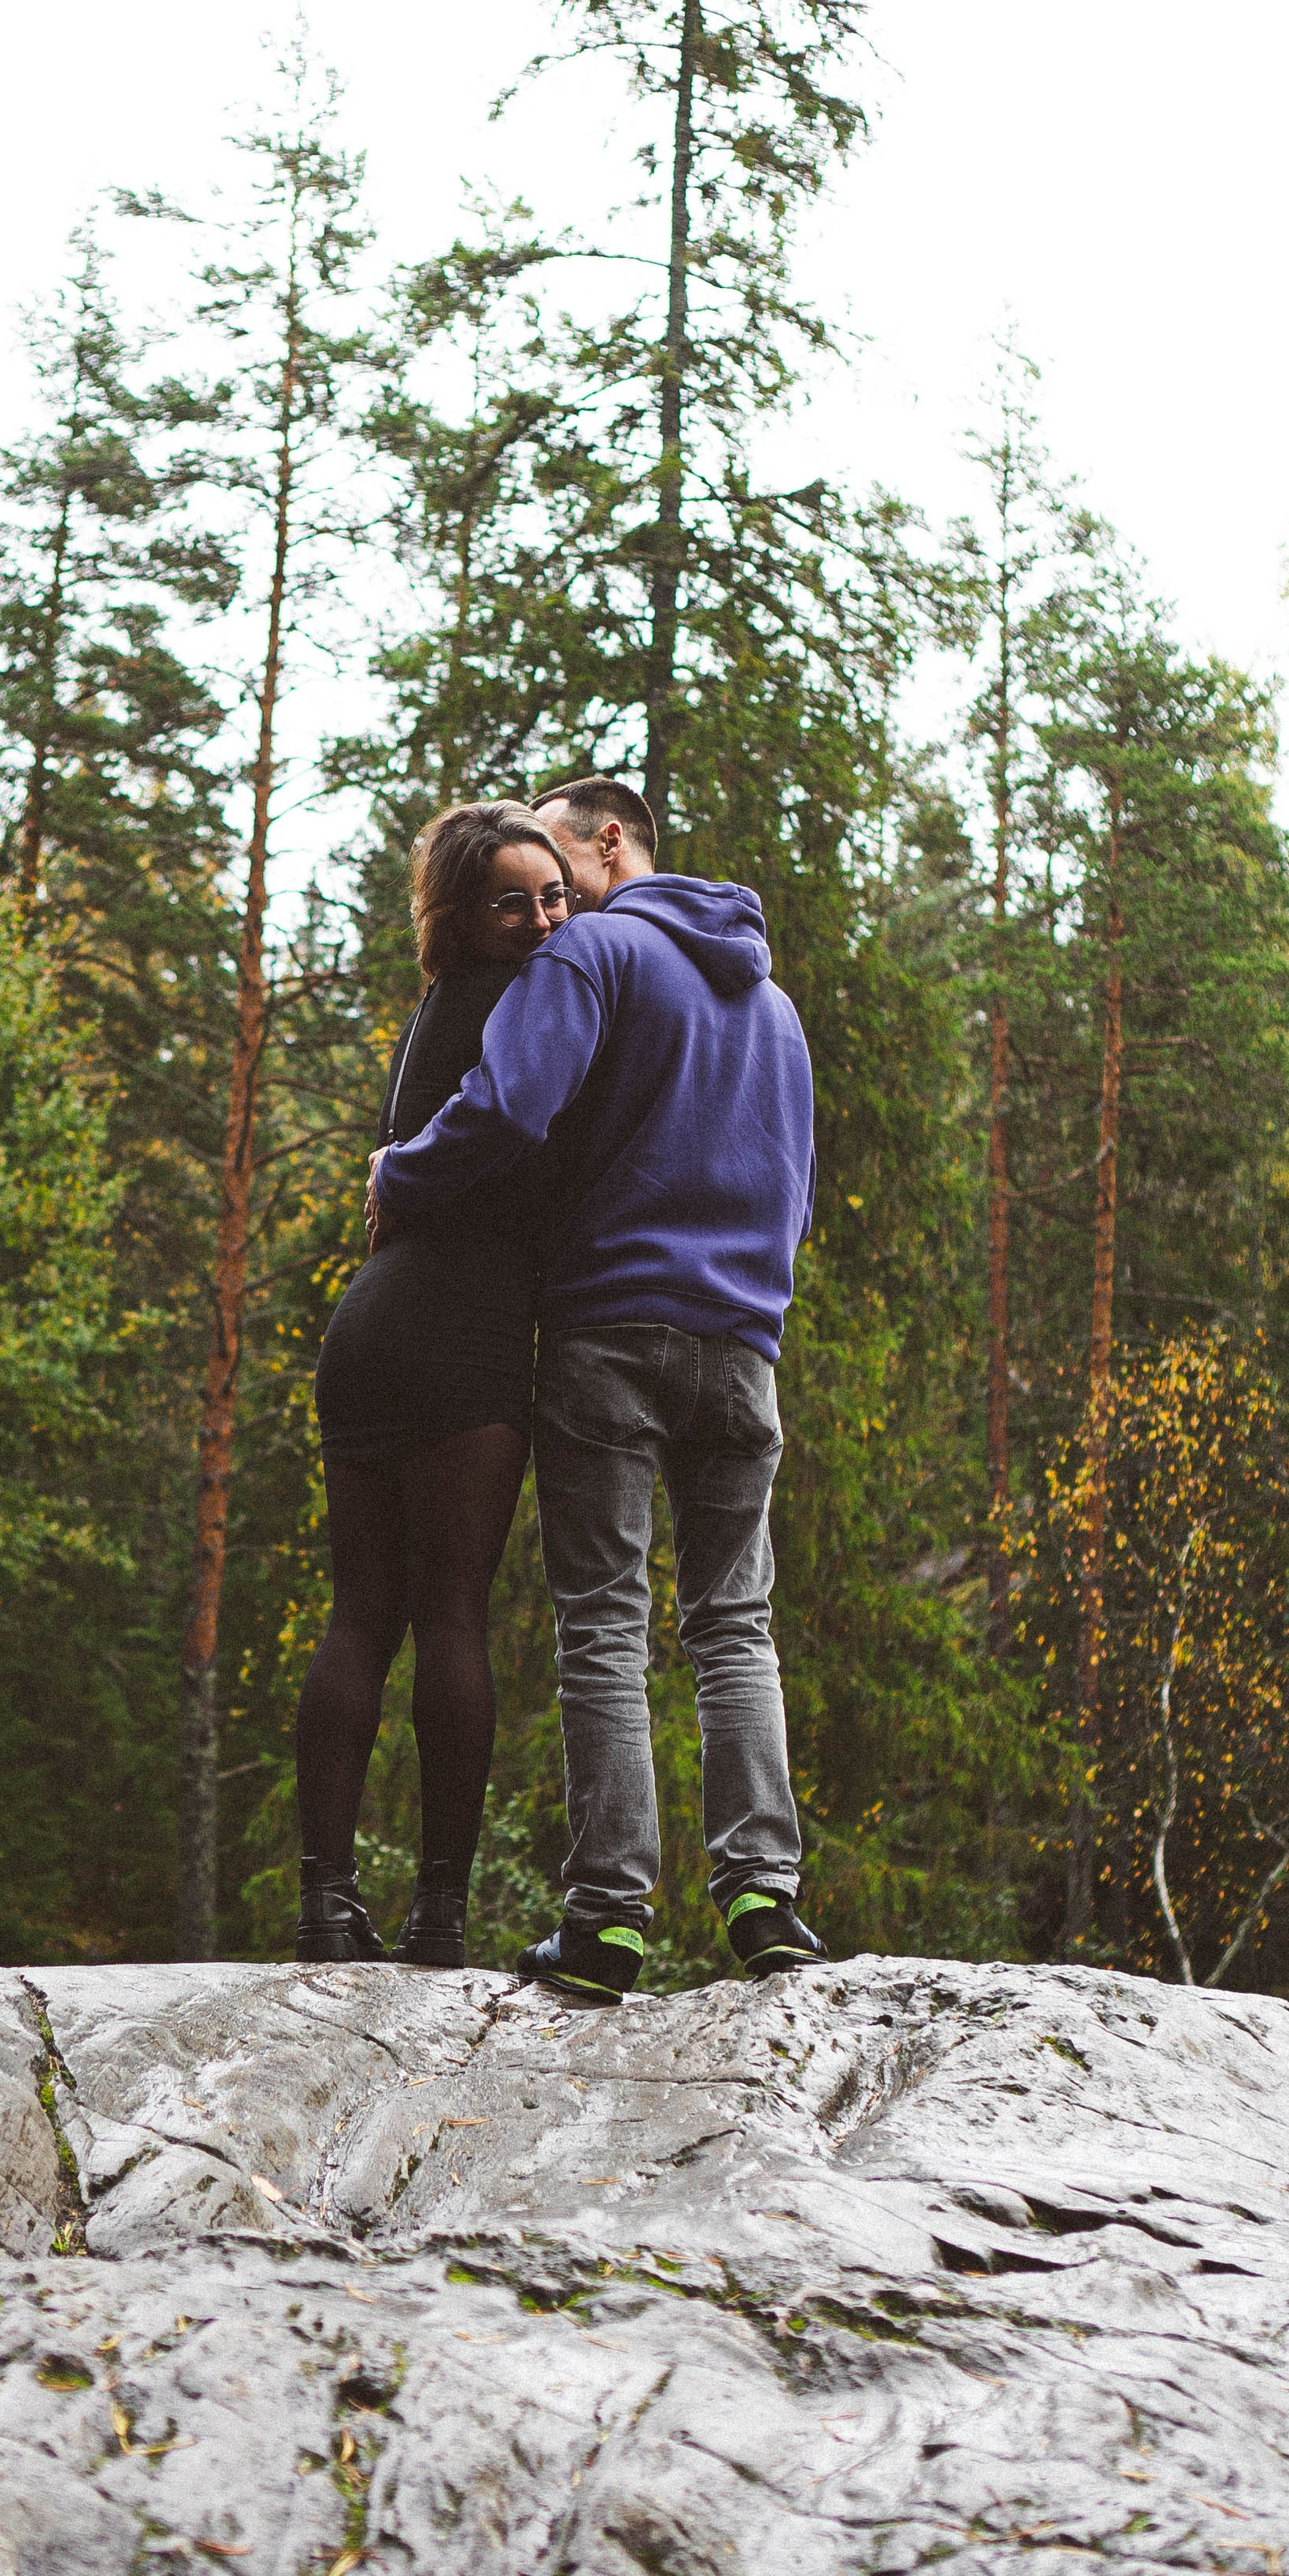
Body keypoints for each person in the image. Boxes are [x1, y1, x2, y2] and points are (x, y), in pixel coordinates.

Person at [368, 773, 824, 2006]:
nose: (549, 897)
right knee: (735, 1623)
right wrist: (752, 1300)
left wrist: (399, 1173)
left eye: (559, 861)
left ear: (609, 839)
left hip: (610, 1329)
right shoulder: (772, 1002)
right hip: (743, 1341)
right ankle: (763, 1901)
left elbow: (510, 1105)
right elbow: (796, 1191)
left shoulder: (596, 958)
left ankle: (608, 1922)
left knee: (606, 1625)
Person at [294, 801, 574, 1967]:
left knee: (363, 1613)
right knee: (448, 1611)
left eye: (554, 893)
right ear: (462, 916)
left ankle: (325, 1905)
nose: (544, 917)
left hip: (368, 1324)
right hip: (460, 1330)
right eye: (513, 901)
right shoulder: (534, 1007)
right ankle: (440, 1917)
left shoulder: (434, 1010)